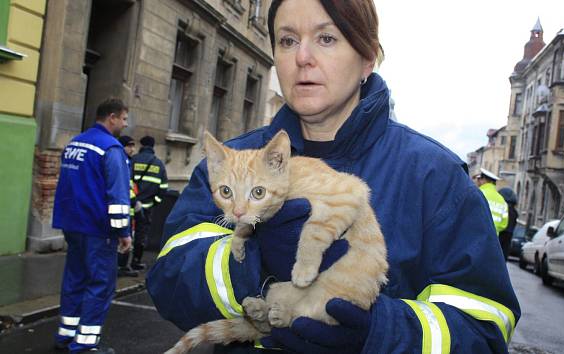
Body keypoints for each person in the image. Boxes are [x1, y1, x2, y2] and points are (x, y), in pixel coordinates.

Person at [147, 0, 520, 353]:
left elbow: (484, 330)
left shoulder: (434, 176)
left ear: (367, 57)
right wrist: (251, 263)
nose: (302, 58)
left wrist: (377, 332)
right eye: (287, 40)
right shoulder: (231, 162)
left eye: (326, 38)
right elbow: (168, 282)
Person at [52, 98, 132, 354]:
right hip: (98, 229)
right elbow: (118, 196)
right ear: (111, 117)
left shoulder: (75, 143)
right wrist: (124, 233)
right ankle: (85, 344)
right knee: (99, 284)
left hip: (72, 224)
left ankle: (66, 334)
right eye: (123, 119)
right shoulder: (111, 148)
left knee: (74, 279)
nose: (125, 123)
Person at [130, 135, 168, 270]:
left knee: (126, 233)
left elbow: (126, 182)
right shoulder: (158, 164)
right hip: (147, 207)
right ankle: (136, 261)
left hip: (131, 205)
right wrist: (154, 203)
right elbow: (163, 188)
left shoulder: (133, 160)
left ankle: (121, 264)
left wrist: (133, 200)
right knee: (141, 235)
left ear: (142, 146)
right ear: (152, 147)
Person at [117, 135, 139, 277]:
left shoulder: (128, 162)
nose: (132, 149)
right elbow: (124, 188)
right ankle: (121, 267)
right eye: (129, 146)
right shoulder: (121, 161)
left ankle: (123, 266)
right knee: (124, 239)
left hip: (128, 211)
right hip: (124, 210)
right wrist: (134, 200)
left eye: (133, 146)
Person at [474, 168, 509, 236]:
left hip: (475, 236)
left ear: (484, 180)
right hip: (492, 240)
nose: (477, 181)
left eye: (479, 179)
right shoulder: (502, 200)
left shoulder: (478, 194)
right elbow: (503, 224)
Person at [498, 188, 518, 261]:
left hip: (501, 232)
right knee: (504, 252)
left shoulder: (503, 208)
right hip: (509, 234)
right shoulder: (515, 212)